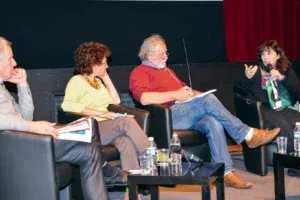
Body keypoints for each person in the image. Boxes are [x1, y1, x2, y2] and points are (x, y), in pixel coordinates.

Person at [129, 34, 281, 189]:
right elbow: (144, 98)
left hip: (185, 112)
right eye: (161, 54)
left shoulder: (167, 71)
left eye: (166, 53)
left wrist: (201, 95)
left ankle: (226, 172)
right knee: (208, 102)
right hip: (165, 116)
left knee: (213, 121)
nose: (165, 57)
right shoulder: (139, 72)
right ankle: (248, 134)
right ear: (148, 55)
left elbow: (186, 90)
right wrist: (175, 95)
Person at [0, 36, 128, 200]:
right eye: (10, 58)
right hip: (18, 148)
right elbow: (24, 123)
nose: (15, 63)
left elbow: (26, 116)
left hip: (26, 142)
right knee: (88, 132)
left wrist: (22, 85)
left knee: (90, 151)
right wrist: (30, 127)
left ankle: (105, 177)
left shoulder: (2, 86)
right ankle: (108, 171)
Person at [61, 42, 149, 171]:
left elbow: (115, 100)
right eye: (104, 63)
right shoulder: (77, 81)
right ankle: (152, 155)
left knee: (126, 142)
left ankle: (134, 186)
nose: (107, 66)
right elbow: (67, 105)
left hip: (105, 126)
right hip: (91, 128)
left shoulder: (98, 82)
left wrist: (106, 77)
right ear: (93, 64)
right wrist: (100, 114)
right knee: (127, 122)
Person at [236, 40, 300, 177]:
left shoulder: (286, 70)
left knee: (296, 120)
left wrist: (282, 78)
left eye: (269, 54)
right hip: (264, 109)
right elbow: (238, 91)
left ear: (278, 55)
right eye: (263, 54)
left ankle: (296, 161)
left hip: (285, 107)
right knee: (281, 122)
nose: (265, 57)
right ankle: (293, 162)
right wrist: (246, 78)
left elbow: (297, 90)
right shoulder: (256, 71)